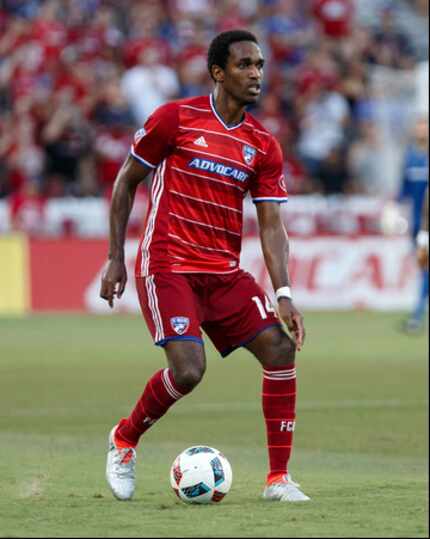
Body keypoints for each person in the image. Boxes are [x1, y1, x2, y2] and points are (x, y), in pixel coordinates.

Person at [99, 29, 310, 503]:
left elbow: (272, 225)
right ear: (218, 72)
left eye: (259, 65)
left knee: (280, 349)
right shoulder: (175, 119)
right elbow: (125, 182)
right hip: (168, 263)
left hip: (222, 271)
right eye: (244, 65)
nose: (255, 74)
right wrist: (114, 257)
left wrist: (284, 293)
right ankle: (124, 439)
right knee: (190, 371)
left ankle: (278, 479)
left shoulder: (262, 144)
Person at [397, 117, 428, 333]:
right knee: (424, 269)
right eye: (418, 126)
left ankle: (417, 316)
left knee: (426, 269)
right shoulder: (410, 157)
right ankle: (417, 315)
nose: (421, 130)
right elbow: (403, 191)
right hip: (417, 224)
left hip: (426, 225)